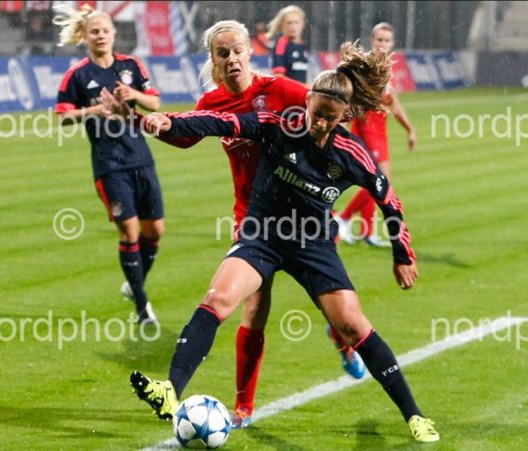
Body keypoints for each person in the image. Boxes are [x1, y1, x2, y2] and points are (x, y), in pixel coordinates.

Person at [129, 41, 439, 443]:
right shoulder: (277, 124)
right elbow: (221, 123)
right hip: (261, 235)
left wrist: (402, 255)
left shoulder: (352, 153)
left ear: (344, 115)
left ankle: (414, 415)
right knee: (218, 299)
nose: (320, 123)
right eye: (317, 112)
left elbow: (390, 203)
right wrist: (169, 122)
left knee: (351, 323)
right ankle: (170, 389)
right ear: (306, 100)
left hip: (313, 245)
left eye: (331, 117)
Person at [142, 20, 367, 429]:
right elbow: (187, 134)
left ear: (249, 52)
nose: (232, 58)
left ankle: (342, 340)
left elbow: (324, 109)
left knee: (334, 307)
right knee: (254, 307)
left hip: (303, 220)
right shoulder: (212, 101)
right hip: (254, 220)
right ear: (213, 61)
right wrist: (159, 125)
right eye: (223, 53)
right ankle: (244, 407)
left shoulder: (280, 90)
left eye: (237, 50)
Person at [53, 4, 163, 324]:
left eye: (105, 31)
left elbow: (155, 102)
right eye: (94, 32)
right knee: (129, 231)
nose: (100, 36)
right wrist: (93, 111)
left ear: (114, 35)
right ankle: (142, 307)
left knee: (155, 230)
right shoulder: (78, 75)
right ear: (85, 37)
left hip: (141, 158)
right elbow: (62, 116)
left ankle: (133, 283)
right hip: (109, 165)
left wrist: (133, 95)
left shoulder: (131, 66)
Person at [335, 23, 416, 248]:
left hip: (381, 133)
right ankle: (343, 217)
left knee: (373, 182)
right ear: (372, 40)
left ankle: (367, 231)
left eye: (387, 41)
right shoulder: (367, 67)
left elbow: (393, 103)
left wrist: (409, 128)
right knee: (381, 182)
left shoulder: (386, 69)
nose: (382, 44)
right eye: (379, 40)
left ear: (392, 43)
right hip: (367, 130)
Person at [266, 5, 308, 84]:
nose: (293, 26)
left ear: (303, 24)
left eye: (296, 22)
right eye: (289, 23)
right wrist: (301, 87)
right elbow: (278, 76)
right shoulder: (281, 44)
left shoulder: (303, 45)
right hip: (288, 91)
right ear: (282, 25)